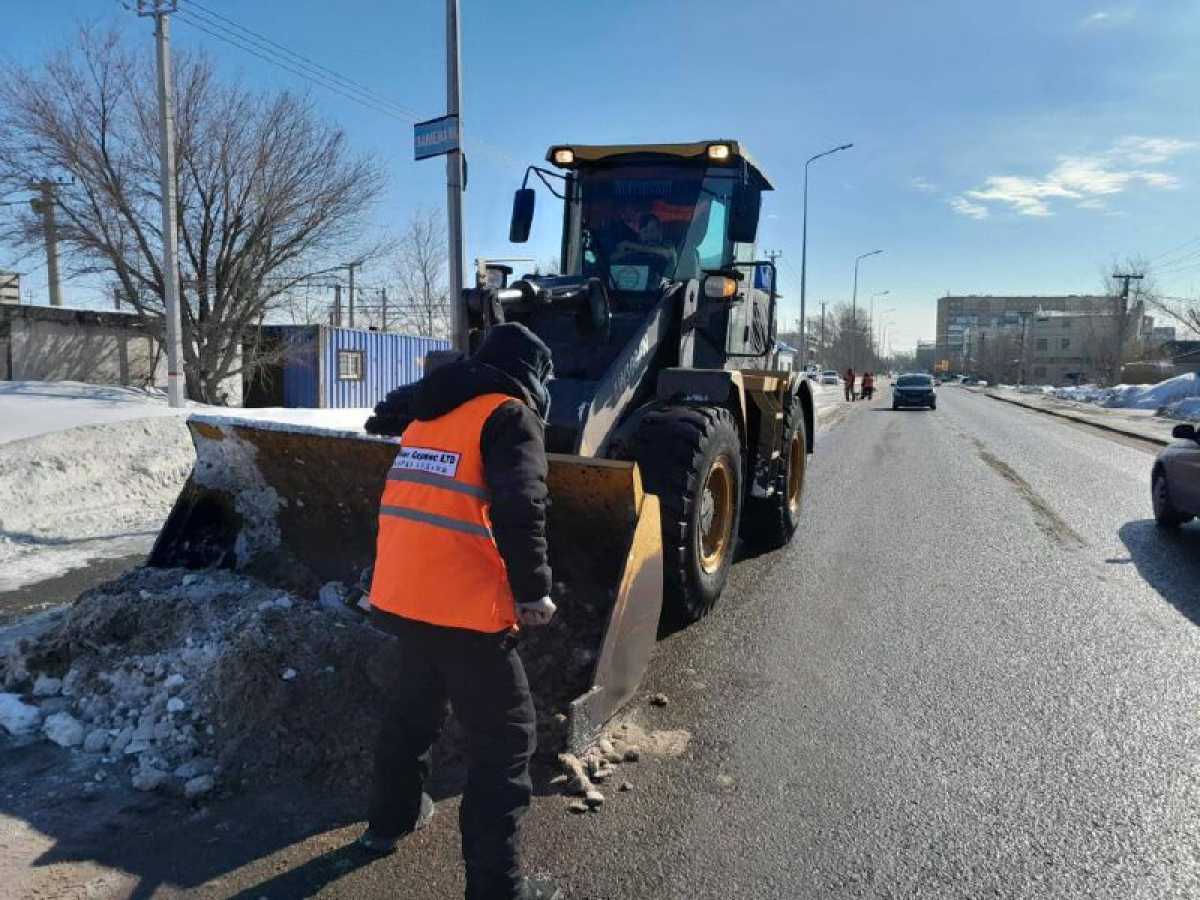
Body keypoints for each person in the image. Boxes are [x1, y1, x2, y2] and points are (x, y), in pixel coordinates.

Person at [361, 322, 562, 900]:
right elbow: (522, 506)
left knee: (411, 715)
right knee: (506, 746)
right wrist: (533, 590)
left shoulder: (430, 415)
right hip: (467, 611)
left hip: (404, 596)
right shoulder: (508, 416)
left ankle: (387, 824)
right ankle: (499, 892)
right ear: (531, 375)